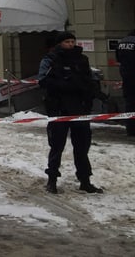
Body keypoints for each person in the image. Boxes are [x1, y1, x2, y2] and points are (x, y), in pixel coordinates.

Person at [38, 31, 106, 194]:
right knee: (57, 146)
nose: (70, 44)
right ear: (59, 43)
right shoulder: (51, 59)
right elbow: (43, 80)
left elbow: (89, 79)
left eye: (72, 41)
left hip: (80, 109)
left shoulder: (81, 59)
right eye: (67, 41)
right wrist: (65, 84)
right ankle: (52, 179)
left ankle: (85, 180)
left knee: (82, 147)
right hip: (59, 108)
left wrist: (94, 92)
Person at [117, 29, 135, 137]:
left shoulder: (121, 43)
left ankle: (131, 129)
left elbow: (119, 59)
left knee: (130, 104)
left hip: (127, 78)